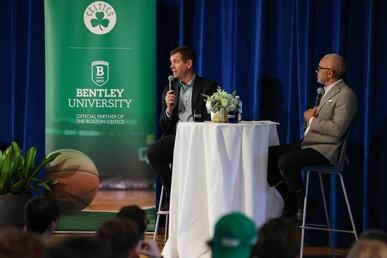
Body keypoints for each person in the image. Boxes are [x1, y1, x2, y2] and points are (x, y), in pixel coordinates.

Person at [267, 53, 357, 222]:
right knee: (267, 156)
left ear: (330, 72)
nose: (316, 72)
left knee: (286, 160)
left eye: (319, 69)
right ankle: (291, 199)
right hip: (310, 143)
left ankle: (303, 202)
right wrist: (310, 119)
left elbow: (338, 129)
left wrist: (313, 120)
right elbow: (316, 125)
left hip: (326, 149)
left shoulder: (346, 95)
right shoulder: (325, 92)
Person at [147, 46, 218, 207]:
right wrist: (169, 109)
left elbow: (212, 117)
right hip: (178, 138)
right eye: (171, 62)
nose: (171, 66)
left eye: (176, 62)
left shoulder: (208, 87)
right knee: (153, 152)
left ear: (188, 63)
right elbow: (164, 127)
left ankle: (179, 198)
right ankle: (173, 194)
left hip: (200, 138)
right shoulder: (170, 90)